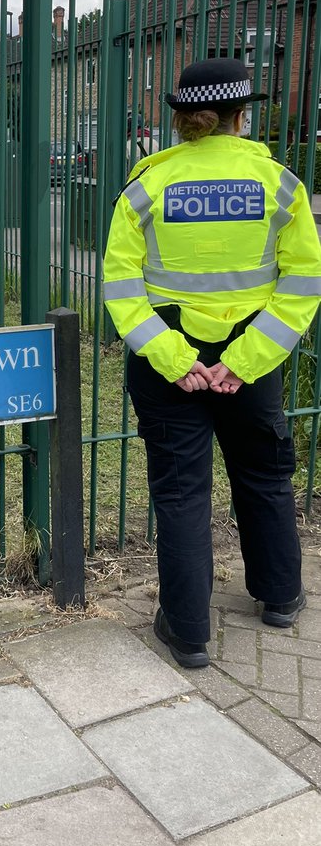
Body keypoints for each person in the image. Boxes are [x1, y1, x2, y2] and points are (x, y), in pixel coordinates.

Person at [103, 57, 321, 668]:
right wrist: (245, 361)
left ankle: (189, 631)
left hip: (166, 359)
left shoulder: (147, 184)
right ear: (241, 117)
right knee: (264, 476)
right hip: (252, 358)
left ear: (179, 120)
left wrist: (175, 358)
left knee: (180, 493)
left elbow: (121, 286)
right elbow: (303, 282)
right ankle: (280, 599)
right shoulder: (279, 183)